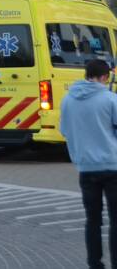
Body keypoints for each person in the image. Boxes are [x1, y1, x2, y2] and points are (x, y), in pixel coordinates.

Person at [60, 58, 117, 269]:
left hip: (85, 168)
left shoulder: (68, 100)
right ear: (104, 77)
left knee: (93, 220)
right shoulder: (110, 99)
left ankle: (95, 264)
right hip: (112, 167)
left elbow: (65, 130)